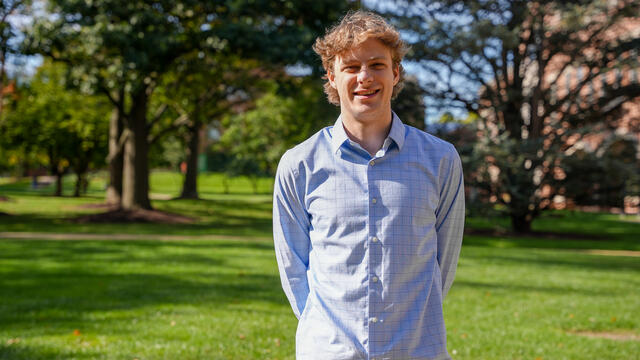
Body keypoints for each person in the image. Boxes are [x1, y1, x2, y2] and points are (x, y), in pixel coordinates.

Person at [273, 10, 465, 360]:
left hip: (416, 350)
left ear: (395, 73)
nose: (365, 77)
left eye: (377, 65)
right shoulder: (299, 164)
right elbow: (293, 269)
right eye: (350, 67)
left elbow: (444, 263)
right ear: (331, 76)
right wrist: (328, 338)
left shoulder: (441, 159)